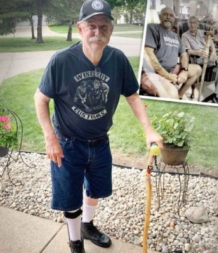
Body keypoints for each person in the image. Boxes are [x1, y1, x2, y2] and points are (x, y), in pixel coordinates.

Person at [33, 0, 163, 252]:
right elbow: (40, 98)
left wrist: (148, 129)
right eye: (91, 26)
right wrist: (50, 138)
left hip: (100, 141)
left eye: (104, 27)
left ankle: (87, 225)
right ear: (81, 29)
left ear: (111, 31)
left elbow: (133, 96)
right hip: (67, 144)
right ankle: (74, 240)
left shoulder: (117, 59)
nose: (98, 32)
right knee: (70, 196)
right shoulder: (61, 60)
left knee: (96, 190)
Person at [141, 7, 201, 100]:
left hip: (172, 70)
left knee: (197, 69)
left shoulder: (176, 36)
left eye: (171, 15)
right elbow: (149, 55)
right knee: (172, 93)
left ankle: (180, 95)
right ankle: (175, 96)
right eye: (165, 14)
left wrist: (184, 71)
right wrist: (168, 76)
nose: (168, 17)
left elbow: (183, 54)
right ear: (160, 16)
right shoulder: (151, 28)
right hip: (152, 73)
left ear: (174, 19)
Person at [181, 15, 218, 104]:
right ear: (188, 24)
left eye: (194, 23)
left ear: (198, 24)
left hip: (210, 55)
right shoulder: (185, 35)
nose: (192, 25)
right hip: (197, 58)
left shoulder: (204, 33)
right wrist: (197, 52)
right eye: (190, 23)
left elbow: (212, 44)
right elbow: (186, 50)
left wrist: (213, 52)